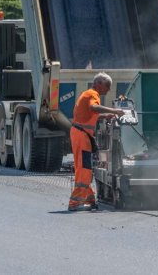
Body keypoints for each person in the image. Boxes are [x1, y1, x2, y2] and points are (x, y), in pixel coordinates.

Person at [68, 72, 124, 211]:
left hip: (81, 134)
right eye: (107, 86)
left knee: (84, 168)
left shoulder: (87, 94)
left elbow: (91, 114)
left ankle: (89, 199)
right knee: (84, 169)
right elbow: (94, 108)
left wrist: (106, 115)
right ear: (98, 83)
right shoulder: (93, 94)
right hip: (81, 135)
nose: (109, 89)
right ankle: (74, 203)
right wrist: (115, 111)